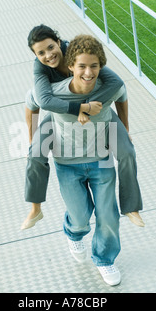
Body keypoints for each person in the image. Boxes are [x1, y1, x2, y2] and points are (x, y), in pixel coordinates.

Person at [21, 25, 144, 230]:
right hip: (59, 113)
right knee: (34, 153)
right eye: (40, 52)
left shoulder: (80, 54)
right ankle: (35, 209)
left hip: (99, 111)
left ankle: (131, 207)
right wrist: (80, 108)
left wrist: (123, 126)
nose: (48, 55)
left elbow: (117, 84)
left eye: (51, 47)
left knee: (127, 152)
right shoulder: (40, 67)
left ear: (59, 42)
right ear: (35, 55)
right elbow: (41, 101)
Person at [48, 34, 124, 285]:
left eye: (94, 66)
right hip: (67, 164)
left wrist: (124, 127)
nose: (88, 72)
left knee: (108, 214)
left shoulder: (108, 88)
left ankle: (105, 259)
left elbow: (122, 93)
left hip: (101, 160)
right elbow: (31, 102)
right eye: (81, 66)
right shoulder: (54, 94)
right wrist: (31, 137)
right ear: (70, 66)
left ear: (101, 66)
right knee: (81, 216)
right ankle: (74, 231)